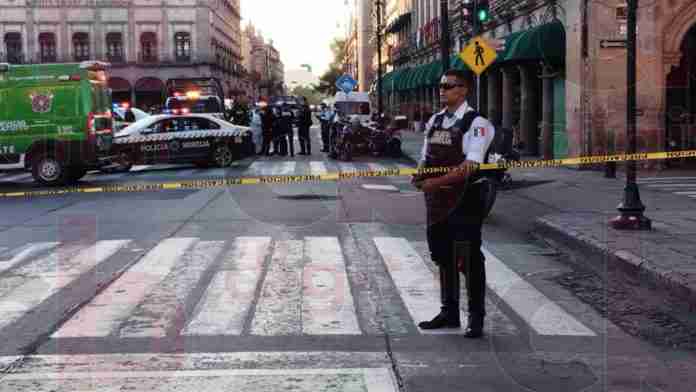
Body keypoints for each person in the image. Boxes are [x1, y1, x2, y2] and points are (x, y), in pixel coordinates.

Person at [411, 69, 495, 338]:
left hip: (465, 199)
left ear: (464, 90)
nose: (442, 89)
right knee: (442, 256)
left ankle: (476, 317)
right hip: (436, 202)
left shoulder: (478, 123)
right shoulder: (435, 120)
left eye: (449, 85)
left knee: (469, 258)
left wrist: (434, 182)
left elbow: (470, 165)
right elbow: (426, 155)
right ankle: (449, 313)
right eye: (441, 85)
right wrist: (420, 173)